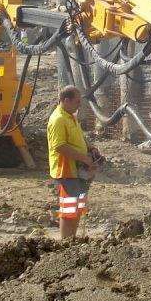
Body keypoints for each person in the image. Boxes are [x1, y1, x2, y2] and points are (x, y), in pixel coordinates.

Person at [47, 85, 102, 239]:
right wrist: (84, 158)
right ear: (66, 100)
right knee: (69, 210)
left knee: (78, 207)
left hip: (78, 171)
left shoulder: (71, 116)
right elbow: (60, 146)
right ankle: (66, 243)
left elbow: (78, 137)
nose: (79, 104)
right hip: (66, 171)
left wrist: (89, 147)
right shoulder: (58, 119)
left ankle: (72, 239)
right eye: (77, 102)